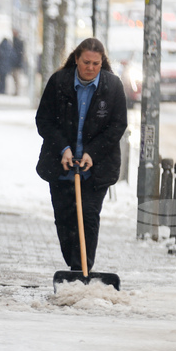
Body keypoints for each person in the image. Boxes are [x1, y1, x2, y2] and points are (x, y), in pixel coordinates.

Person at [35, 38, 127, 272]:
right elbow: (44, 120)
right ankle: (74, 263)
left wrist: (91, 153)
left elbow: (117, 126)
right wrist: (64, 149)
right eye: (86, 62)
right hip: (61, 165)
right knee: (65, 218)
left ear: (102, 62)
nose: (91, 68)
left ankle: (81, 269)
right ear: (76, 59)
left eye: (96, 63)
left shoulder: (113, 86)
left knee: (87, 217)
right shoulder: (59, 82)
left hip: (96, 169)